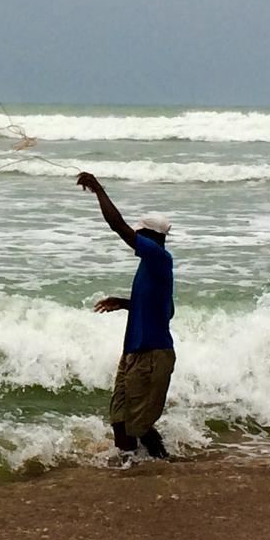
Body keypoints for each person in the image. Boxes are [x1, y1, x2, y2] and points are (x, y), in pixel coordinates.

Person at [76, 171, 174, 459]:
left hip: (152, 355)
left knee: (137, 423)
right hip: (133, 353)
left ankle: (161, 462)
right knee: (119, 418)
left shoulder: (158, 257)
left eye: (139, 234)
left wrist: (97, 189)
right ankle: (130, 466)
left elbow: (116, 225)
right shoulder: (153, 268)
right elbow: (167, 310)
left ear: (149, 237)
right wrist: (126, 303)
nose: (136, 238)